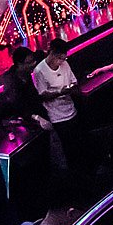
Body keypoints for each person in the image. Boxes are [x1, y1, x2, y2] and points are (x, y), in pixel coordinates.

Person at [34, 39, 84, 172]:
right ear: (52, 53)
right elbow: (42, 95)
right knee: (67, 149)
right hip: (57, 117)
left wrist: (71, 88)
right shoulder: (39, 71)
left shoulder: (65, 64)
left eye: (64, 58)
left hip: (71, 111)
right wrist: (59, 92)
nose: (62, 61)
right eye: (60, 58)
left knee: (78, 145)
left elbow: (73, 81)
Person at [0, 46, 52, 131]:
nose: (33, 64)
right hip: (25, 122)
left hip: (39, 112)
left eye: (33, 60)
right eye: (29, 62)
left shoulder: (26, 73)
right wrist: (37, 117)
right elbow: (18, 106)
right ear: (19, 64)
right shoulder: (11, 80)